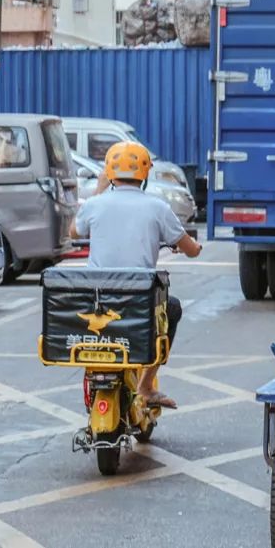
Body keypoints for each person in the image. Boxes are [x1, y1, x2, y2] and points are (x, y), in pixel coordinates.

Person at [72, 141, 202, 409]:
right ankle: (145, 386)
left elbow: (73, 232)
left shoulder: (94, 204)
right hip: (138, 304)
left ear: (108, 173)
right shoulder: (158, 208)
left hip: (97, 302)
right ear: (144, 174)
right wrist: (193, 246)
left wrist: (98, 190)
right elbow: (191, 250)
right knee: (172, 309)